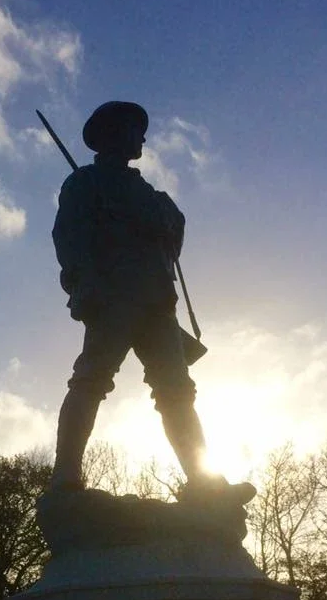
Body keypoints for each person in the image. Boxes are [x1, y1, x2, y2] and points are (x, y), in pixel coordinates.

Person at [51, 100, 252, 503]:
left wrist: (161, 219)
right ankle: (65, 476)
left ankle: (204, 482)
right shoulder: (85, 183)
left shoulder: (152, 196)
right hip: (112, 295)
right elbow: (68, 236)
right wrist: (84, 282)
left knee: (177, 391)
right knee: (91, 380)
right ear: (112, 134)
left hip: (157, 301)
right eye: (133, 129)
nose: (141, 138)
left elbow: (172, 241)